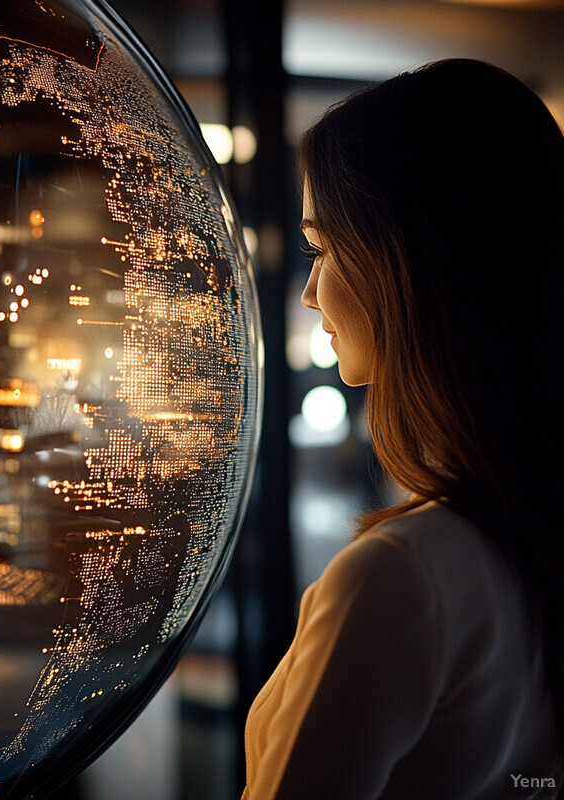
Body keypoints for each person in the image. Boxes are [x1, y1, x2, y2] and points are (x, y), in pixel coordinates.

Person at [241, 59, 564, 799]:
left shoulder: (399, 578)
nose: (311, 291)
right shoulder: (526, 531)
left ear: (406, 258)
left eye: (321, 248)